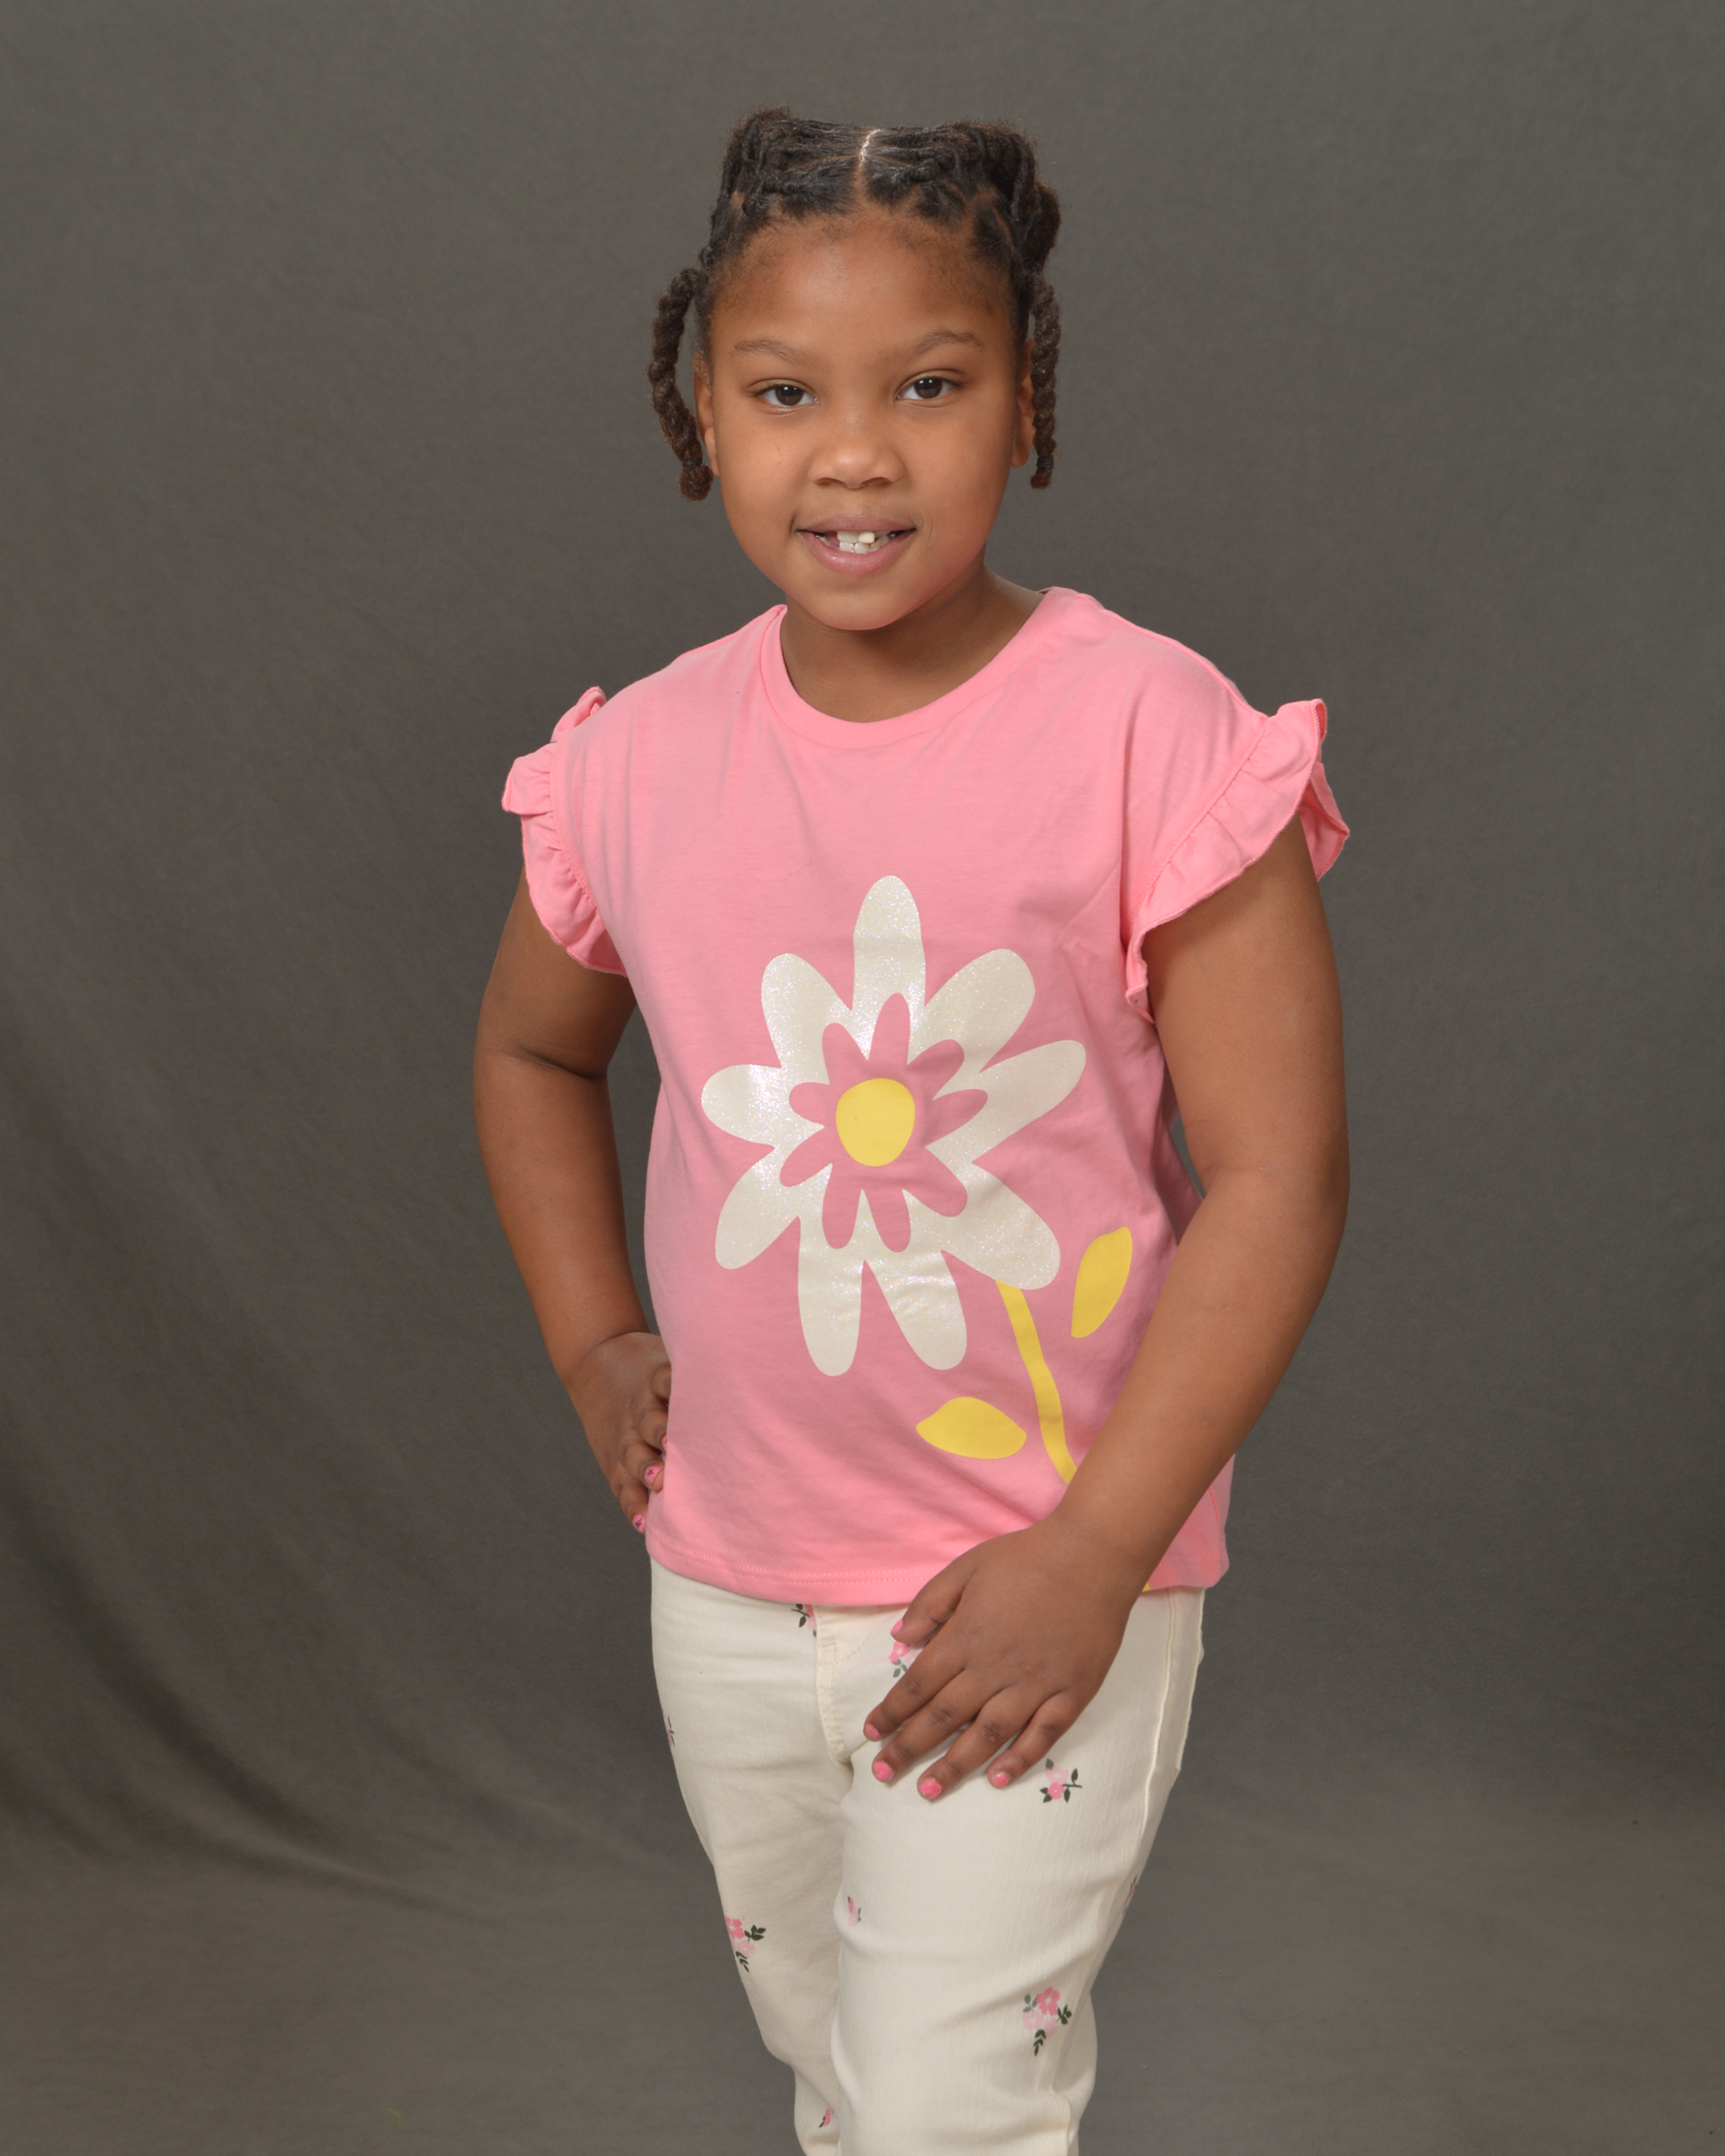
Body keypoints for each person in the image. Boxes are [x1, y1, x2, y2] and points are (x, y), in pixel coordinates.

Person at [474, 107, 1348, 2155]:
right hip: (729, 1585)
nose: (854, 455)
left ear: (1025, 402)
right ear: (701, 412)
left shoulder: (1147, 733)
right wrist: (595, 1343)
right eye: (786, 394)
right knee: (845, 2078)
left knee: (950, 2107)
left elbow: (1282, 1178)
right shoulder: (639, 760)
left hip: (1032, 1586)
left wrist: (1098, 1552)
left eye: (929, 388)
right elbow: (530, 1054)